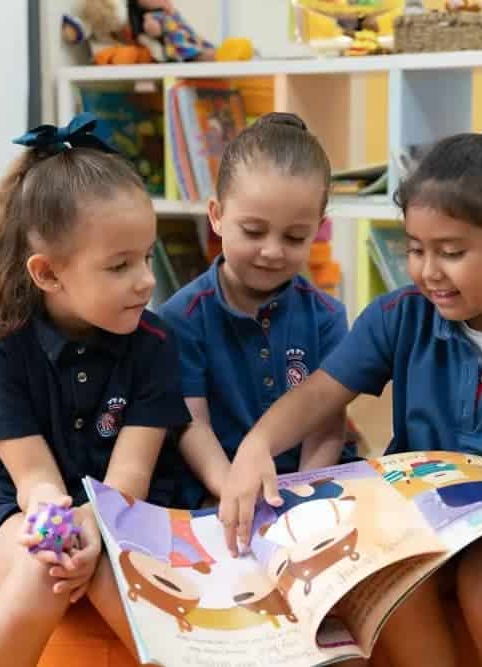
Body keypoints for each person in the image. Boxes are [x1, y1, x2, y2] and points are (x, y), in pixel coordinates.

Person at [218, 123, 482, 667]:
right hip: (419, 524)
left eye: (452, 252)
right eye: (415, 249)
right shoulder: (400, 316)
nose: (428, 271)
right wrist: (257, 444)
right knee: (390, 577)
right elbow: (320, 393)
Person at [0, 113, 191, 667]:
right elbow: (34, 481)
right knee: (47, 564)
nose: (147, 280)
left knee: (105, 565)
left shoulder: (155, 344)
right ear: (48, 274)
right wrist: (60, 530)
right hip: (25, 519)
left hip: (126, 514)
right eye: (120, 266)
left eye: (147, 257)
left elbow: (129, 478)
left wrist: (93, 529)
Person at [160, 112, 357, 509]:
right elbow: (192, 426)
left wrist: (305, 496)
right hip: (216, 484)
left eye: (295, 237)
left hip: (308, 483)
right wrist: (232, 489)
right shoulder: (181, 317)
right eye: (253, 231)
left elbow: (326, 426)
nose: (272, 251)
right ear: (217, 216)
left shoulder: (327, 316)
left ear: (318, 228)